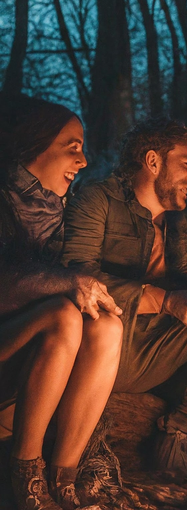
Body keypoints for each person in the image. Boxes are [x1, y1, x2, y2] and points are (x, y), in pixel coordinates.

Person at [62, 116, 187, 479]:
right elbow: (76, 277)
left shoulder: (177, 221)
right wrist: (166, 301)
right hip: (106, 350)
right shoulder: (97, 199)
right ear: (153, 162)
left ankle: (180, 438)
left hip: (155, 350)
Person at [0, 93, 123, 510]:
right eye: (72, 147)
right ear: (33, 145)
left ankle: (63, 476)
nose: (83, 161)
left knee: (107, 324)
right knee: (63, 316)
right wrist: (69, 281)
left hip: (28, 351)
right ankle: (26, 475)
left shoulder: (57, 212)